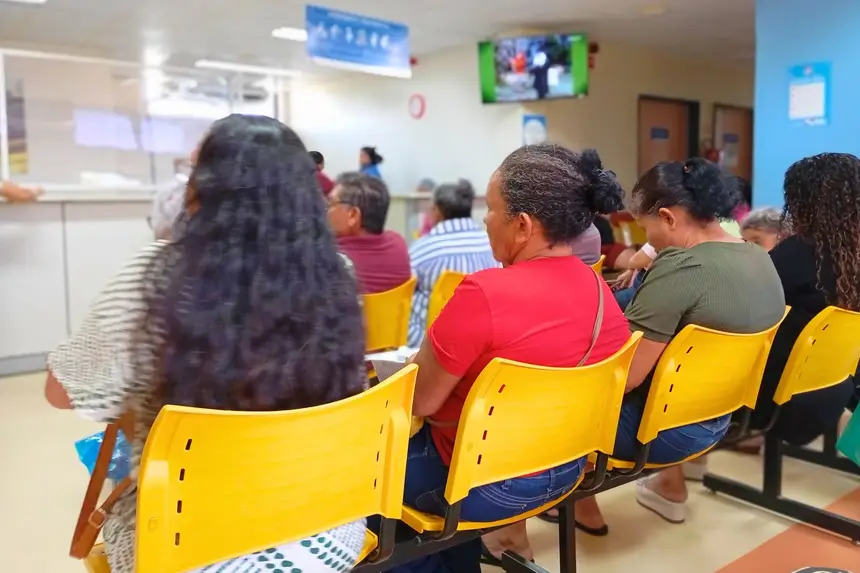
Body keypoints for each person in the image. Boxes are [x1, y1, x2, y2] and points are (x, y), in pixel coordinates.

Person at [44, 115, 368, 573]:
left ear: (200, 189)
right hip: (330, 533)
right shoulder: (338, 275)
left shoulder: (154, 274)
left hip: (193, 548)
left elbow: (61, 392)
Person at [402, 144, 631, 573]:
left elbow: (420, 402)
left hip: (478, 484)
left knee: (359, 480)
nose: (485, 220)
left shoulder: (483, 293)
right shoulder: (601, 292)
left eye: (490, 209)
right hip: (565, 471)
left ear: (522, 225)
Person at [574, 158, 786, 529]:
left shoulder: (681, 266)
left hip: (660, 432)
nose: (648, 241)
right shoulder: (759, 257)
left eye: (646, 228)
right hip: (718, 418)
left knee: (541, 408)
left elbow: (625, 377)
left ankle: (521, 527)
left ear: (669, 218)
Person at [749, 153, 860, 446]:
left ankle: (675, 475)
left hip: (776, 404)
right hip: (835, 391)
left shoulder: (793, 255)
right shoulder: (851, 258)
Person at [406, 179, 498, 347]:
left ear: (437, 211)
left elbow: (403, 292)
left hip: (429, 348)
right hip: (483, 344)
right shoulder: (493, 245)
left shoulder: (423, 249)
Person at [328, 172, 411, 294]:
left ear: (353, 215)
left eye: (330, 203)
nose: (326, 211)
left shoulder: (330, 259)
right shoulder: (398, 244)